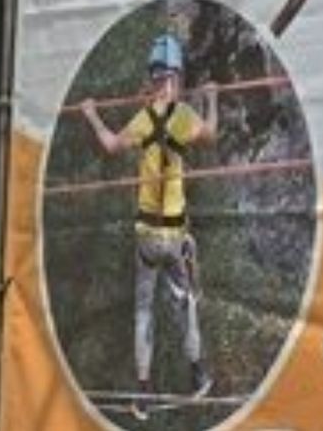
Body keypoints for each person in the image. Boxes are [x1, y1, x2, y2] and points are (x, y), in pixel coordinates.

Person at [79, 33, 220, 419]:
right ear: (176, 77)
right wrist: (211, 97)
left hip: (145, 234)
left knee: (144, 312)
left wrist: (92, 114)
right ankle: (198, 375)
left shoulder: (143, 119)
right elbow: (212, 133)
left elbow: (109, 145)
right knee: (185, 305)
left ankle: (142, 393)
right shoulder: (185, 117)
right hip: (173, 236)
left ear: (155, 77)